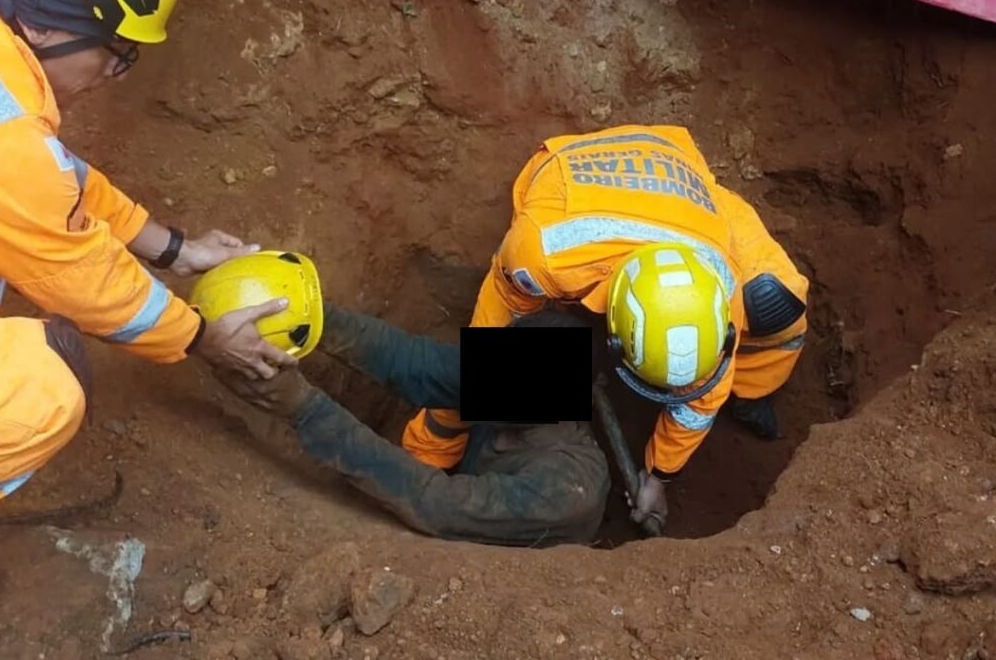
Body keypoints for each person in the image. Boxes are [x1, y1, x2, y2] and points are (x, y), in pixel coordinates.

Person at [0, 0, 295, 629]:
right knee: (39, 387)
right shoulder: (2, 139)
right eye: (116, 52)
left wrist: (173, 248)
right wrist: (202, 338)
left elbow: (51, 181)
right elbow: (81, 275)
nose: (116, 74)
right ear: (49, 28)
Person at [402, 125, 809, 533]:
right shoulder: (541, 256)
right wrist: (430, 455)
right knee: (491, 372)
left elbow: (700, 402)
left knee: (781, 299)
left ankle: (754, 392)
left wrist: (658, 476)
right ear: (612, 333)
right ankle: (427, 448)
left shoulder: (721, 292)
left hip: (681, 174)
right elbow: (481, 356)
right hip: (570, 181)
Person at [220, 302, 611, 547]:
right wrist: (310, 317)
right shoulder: (526, 379)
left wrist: (304, 407)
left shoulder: (566, 487)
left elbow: (436, 503)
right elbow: (409, 361)